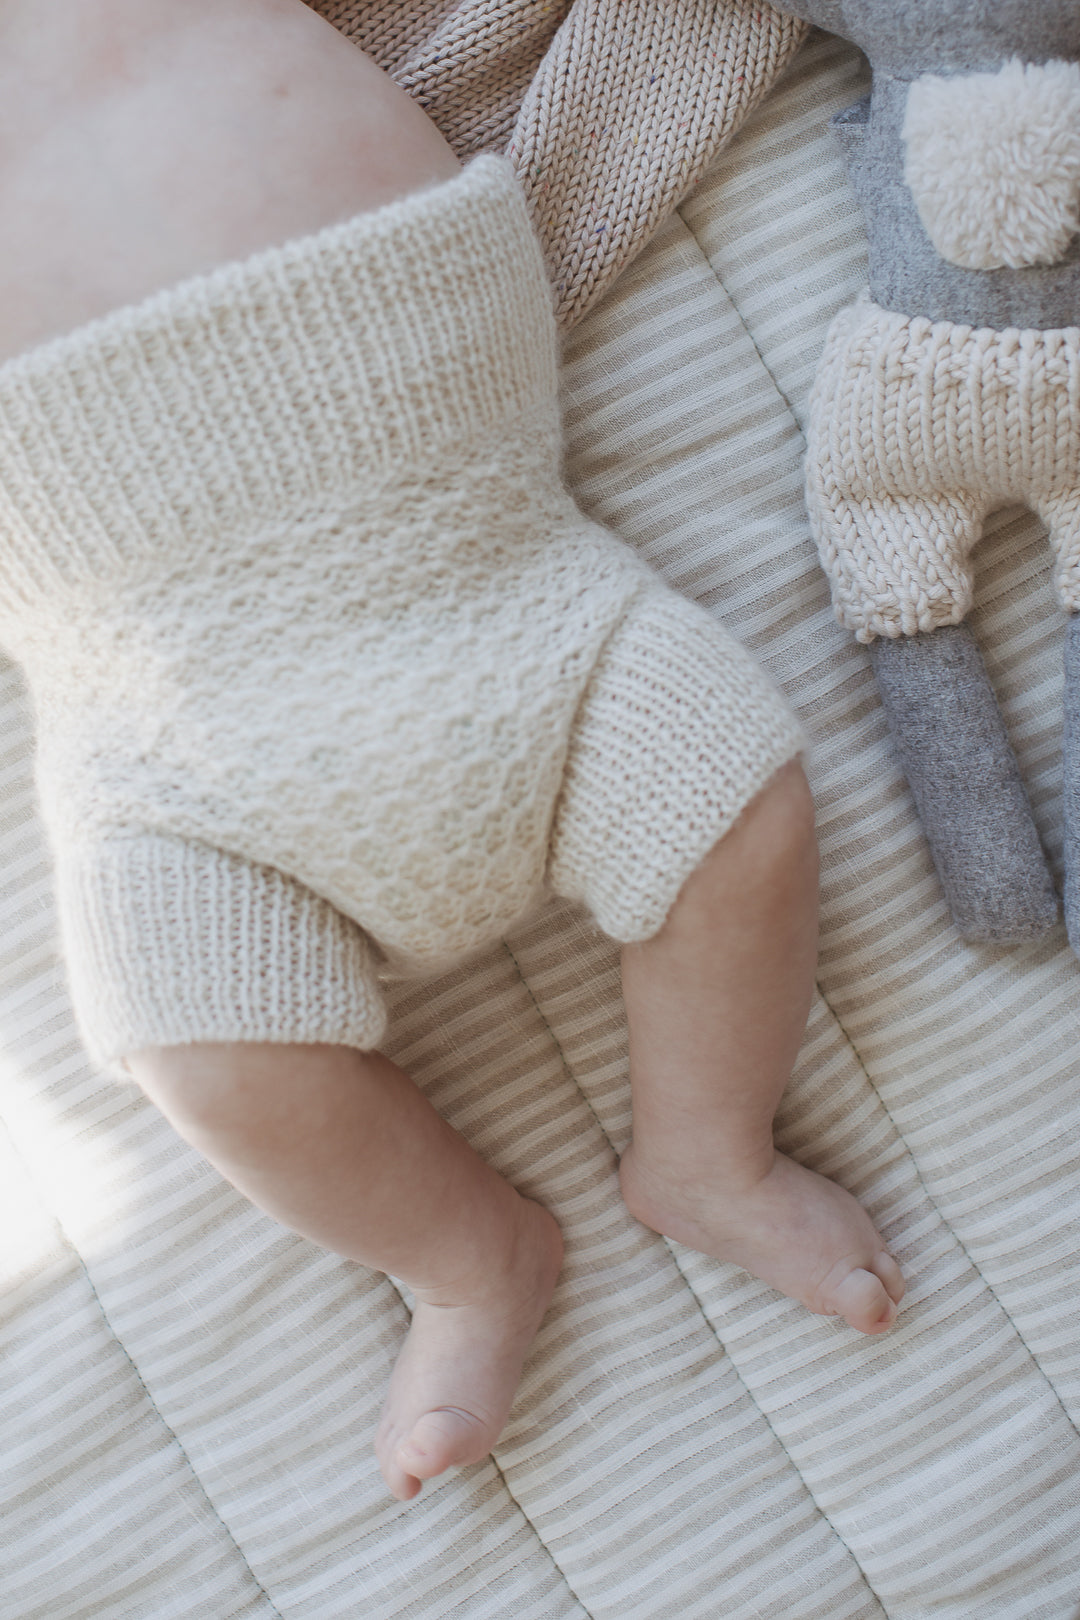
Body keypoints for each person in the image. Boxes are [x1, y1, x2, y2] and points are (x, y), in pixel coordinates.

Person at [0, 0, 904, 1503]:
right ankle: (468, 1258)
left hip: (492, 572)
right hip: (173, 728)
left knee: (734, 810)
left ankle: (708, 1154)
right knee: (202, 1053)